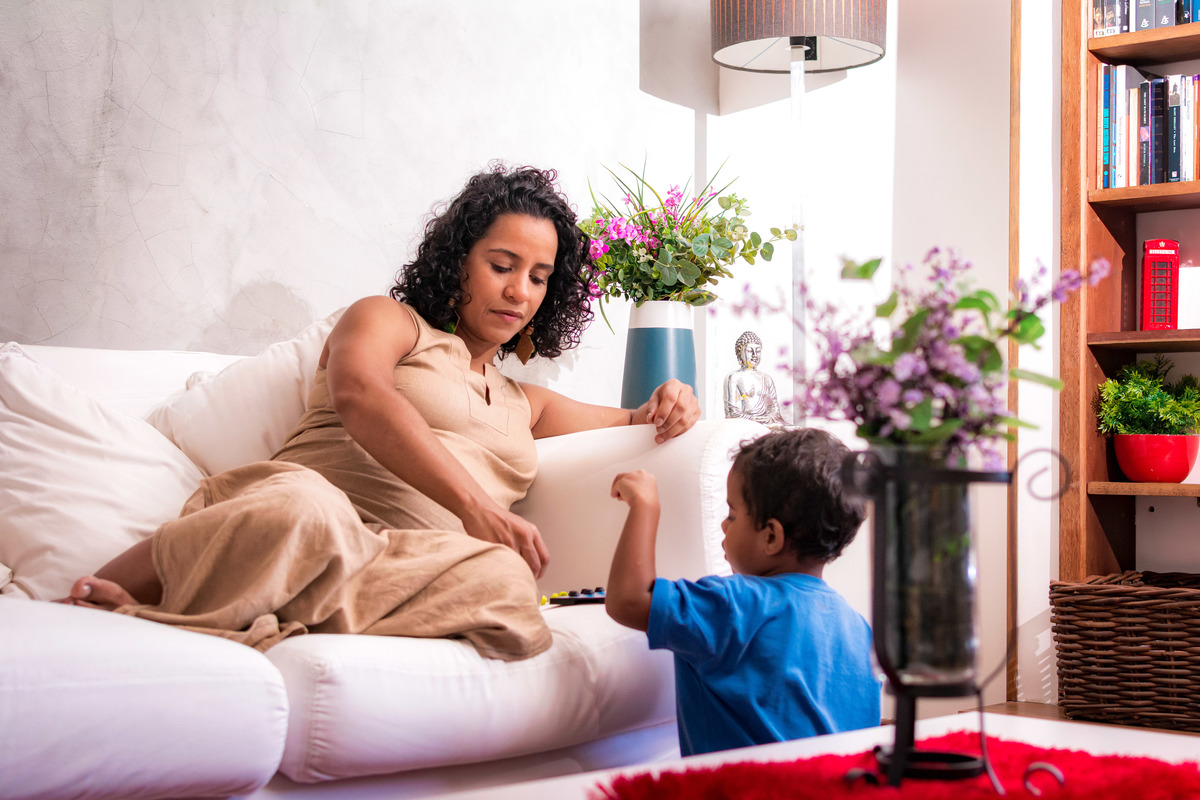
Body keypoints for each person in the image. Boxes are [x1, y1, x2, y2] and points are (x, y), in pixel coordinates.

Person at [58, 163, 701, 661]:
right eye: (502, 265)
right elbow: (361, 395)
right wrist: (477, 507)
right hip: (299, 515)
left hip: (402, 562)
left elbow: (639, 419)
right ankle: (174, 600)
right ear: (458, 262)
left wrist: (672, 398)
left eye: (538, 277)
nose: (518, 291)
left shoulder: (525, 402)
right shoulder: (389, 321)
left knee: (506, 584)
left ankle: (263, 612)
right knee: (303, 509)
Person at [605, 427, 880, 756]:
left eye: (732, 514)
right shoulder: (859, 630)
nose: (724, 524)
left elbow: (628, 600)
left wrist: (645, 506)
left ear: (771, 537)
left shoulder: (735, 604)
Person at [722, 330, 785, 427]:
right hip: (745, 424)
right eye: (750, 351)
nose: (755, 355)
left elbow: (775, 410)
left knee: (794, 430)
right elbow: (732, 413)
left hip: (767, 423)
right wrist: (753, 419)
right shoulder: (734, 378)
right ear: (740, 354)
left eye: (758, 351)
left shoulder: (766, 378)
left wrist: (769, 418)